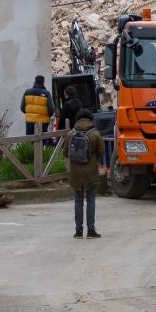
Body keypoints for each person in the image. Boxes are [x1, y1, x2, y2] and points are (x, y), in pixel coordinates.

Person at [62, 101, 101, 239]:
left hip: (75, 173)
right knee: (90, 200)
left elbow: (65, 153)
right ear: (90, 119)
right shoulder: (95, 134)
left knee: (78, 201)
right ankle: (91, 230)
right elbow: (101, 152)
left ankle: (78, 231)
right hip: (91, 172)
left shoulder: (70, 134)